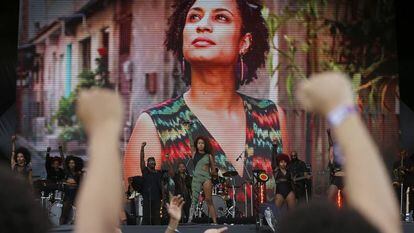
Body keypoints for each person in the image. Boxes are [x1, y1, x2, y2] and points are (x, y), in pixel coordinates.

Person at [124, 0, 288, 205]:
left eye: (221, 17)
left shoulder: (272, 117)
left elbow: (289, 205)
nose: (202, 25)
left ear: (244, 42)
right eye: (194, 17)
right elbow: (140, 220)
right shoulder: (153, 125)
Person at [284, 71, 401, 233]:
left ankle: (342, 218)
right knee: (331, 196)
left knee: (350, 203)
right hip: (336, 179)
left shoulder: (343, 154)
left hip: (344, 179)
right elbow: (381, 221)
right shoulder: (334, 152)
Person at [189, 136, 218, 224]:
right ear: (196, 145)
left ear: (205, 145)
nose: (200, 145)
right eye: (199, 143)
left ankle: (215, 222)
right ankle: (190, 220)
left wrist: (214, 173)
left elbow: (213, 169)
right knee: (194, 199)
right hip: (196, 178)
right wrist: (188, 130)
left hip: (206, 178)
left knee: (209, 200)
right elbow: (191, 144)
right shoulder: (194, 153)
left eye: (202, 143)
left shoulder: (209, 156)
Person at [140, 141, 163, 225]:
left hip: (156, 198)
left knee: (156, 217)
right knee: (146, 216)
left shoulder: (158, 173)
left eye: (153, 161)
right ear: (147, 163)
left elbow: (162, 186)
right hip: (147, 198)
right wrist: (142, 148)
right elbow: (142, 160)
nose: (152, 162)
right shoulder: (145, 171)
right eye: (150, 161)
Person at [167, 157, 193, 223]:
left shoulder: (188, 177)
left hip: (187, 197)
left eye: (183, 166)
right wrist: (169, 162)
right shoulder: (176, 176)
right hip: (179, 197)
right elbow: (171, 172)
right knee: (179, 214)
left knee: (188, 213)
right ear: (178, 169)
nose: (182, 168)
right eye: (180, 167)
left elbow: (191, 187)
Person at [60, 155, 84, 225]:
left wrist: (73, 184)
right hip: (67, 196)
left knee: (77, 216)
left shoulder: (79, 174)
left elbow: (81, 186)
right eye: (70, 163)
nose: (71, 164)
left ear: (76, 164)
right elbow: (63, 183)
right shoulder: (66, 173)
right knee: (64, 214)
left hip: (76, 196)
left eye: (73, 163)